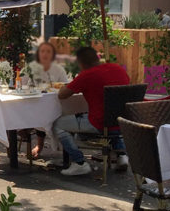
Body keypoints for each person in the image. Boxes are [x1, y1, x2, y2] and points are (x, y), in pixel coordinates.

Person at [53, 46, 130, 177]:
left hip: (99, 123)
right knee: (111, 115)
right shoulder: (118, 69)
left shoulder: (87, 75)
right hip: (122, 122)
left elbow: (62, 94)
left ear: (81, 63)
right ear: (97, 58)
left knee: (58, 124)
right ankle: (122, 155)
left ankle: (79, 163)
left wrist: (71, 83)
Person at [28, 41, 70, 158]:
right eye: (42, 51)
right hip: (35, 102)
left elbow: (65, 85)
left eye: (48, 51)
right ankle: (39, 145)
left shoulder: (59, 69)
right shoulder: (32, 68)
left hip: (56, 102)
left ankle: (63, 148)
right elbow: (27, 84)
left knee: (51, 114)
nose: (45, 54)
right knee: (37, 113)